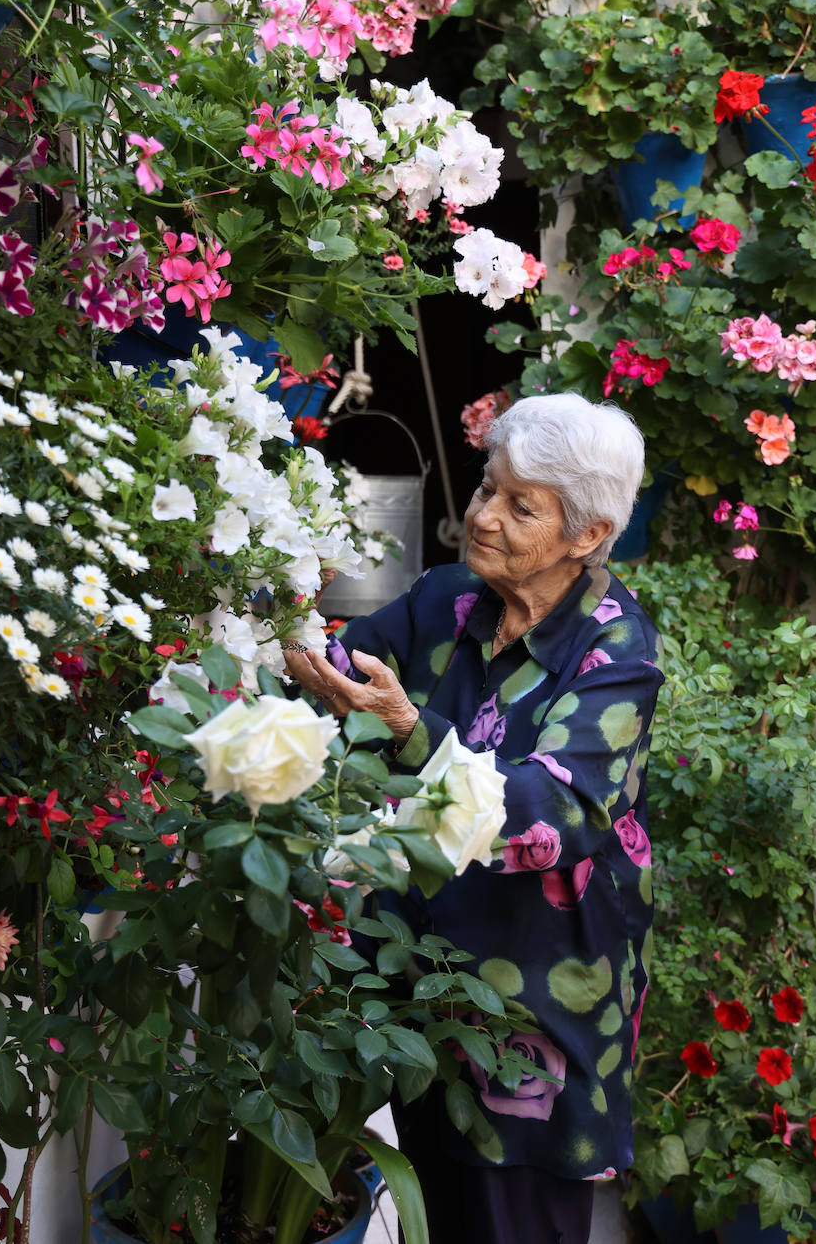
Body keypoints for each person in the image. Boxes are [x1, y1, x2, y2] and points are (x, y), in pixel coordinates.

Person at [284, 393, 663, 1244]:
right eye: (489, 487)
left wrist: (411, 731)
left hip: (532, 1005)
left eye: (520, 505)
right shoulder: (451, 598)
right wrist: (279, 620)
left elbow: (555, 812)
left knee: (513, 1220)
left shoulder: (615, 650)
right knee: (435, 1197)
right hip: (415, 977)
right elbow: (338, 662)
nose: (482, 516)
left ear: (588, 535)